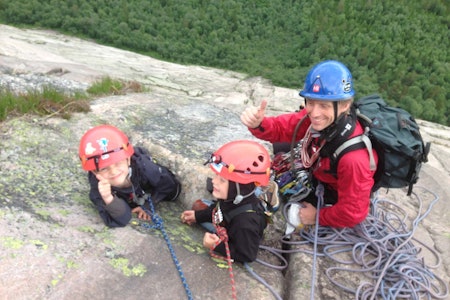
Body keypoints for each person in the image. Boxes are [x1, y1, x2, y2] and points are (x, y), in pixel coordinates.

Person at [240, 60, 378, 228]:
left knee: (292, 212)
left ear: (345, 105)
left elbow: (353, 212)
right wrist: (258, 124)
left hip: (331, 189)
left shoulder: (354, 159)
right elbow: (282, 128)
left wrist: (317, 216)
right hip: (319, 167)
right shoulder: (322, 119)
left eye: (323, 105)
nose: (314, 112)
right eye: (310, 102)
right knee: (276, 148)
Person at [180, 140, 270, 263]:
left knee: (201, 206)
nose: (214, 181)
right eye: (216, 176)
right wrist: (197, 216)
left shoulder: (244, 224)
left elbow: (247, 255)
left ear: (238, 188)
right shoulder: (232, 198)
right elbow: (219, 209)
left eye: (222, 180)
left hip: (237, 231)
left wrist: (217, 245)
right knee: (198, 206)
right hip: (229, 219)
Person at [78, 124, 181, 227]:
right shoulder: (99, 188)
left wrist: (149, 204)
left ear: (128, 160)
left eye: (118, 163)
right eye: (104, 168)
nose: (113, 172)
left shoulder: (144, 168)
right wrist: (109, 199)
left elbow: (172, 188)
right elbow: (123, 219)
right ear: (94, 172)